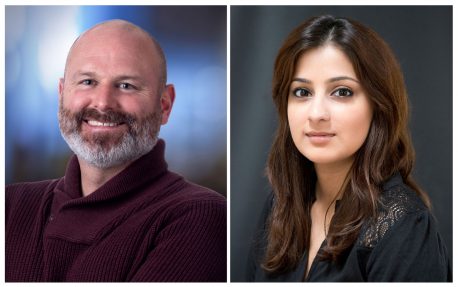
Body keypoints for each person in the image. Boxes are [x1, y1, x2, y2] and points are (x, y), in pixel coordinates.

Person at [6, 19, 226, 282]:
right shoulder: (10, 206)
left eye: (126, 86)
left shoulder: (197, 217)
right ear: (62, 93)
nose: (103, 102)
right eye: (87, 81)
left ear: (164, 105)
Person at [246, 15, 451, 282]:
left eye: (342, 92)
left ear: (378, 105)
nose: (317, 113)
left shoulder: (403, 224)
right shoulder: (281, 205)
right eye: (302, 92)